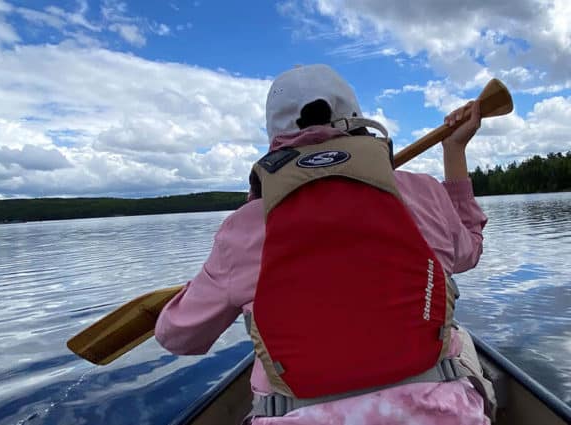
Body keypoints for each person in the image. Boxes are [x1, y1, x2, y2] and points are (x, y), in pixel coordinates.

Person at [155, 64, 492, 424]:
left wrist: (206, 286)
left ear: (275, 137)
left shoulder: (243, 229)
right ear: (358, 119)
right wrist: (454, 151)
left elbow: (179, 337)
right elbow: (469, 251)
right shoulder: (424, 192)